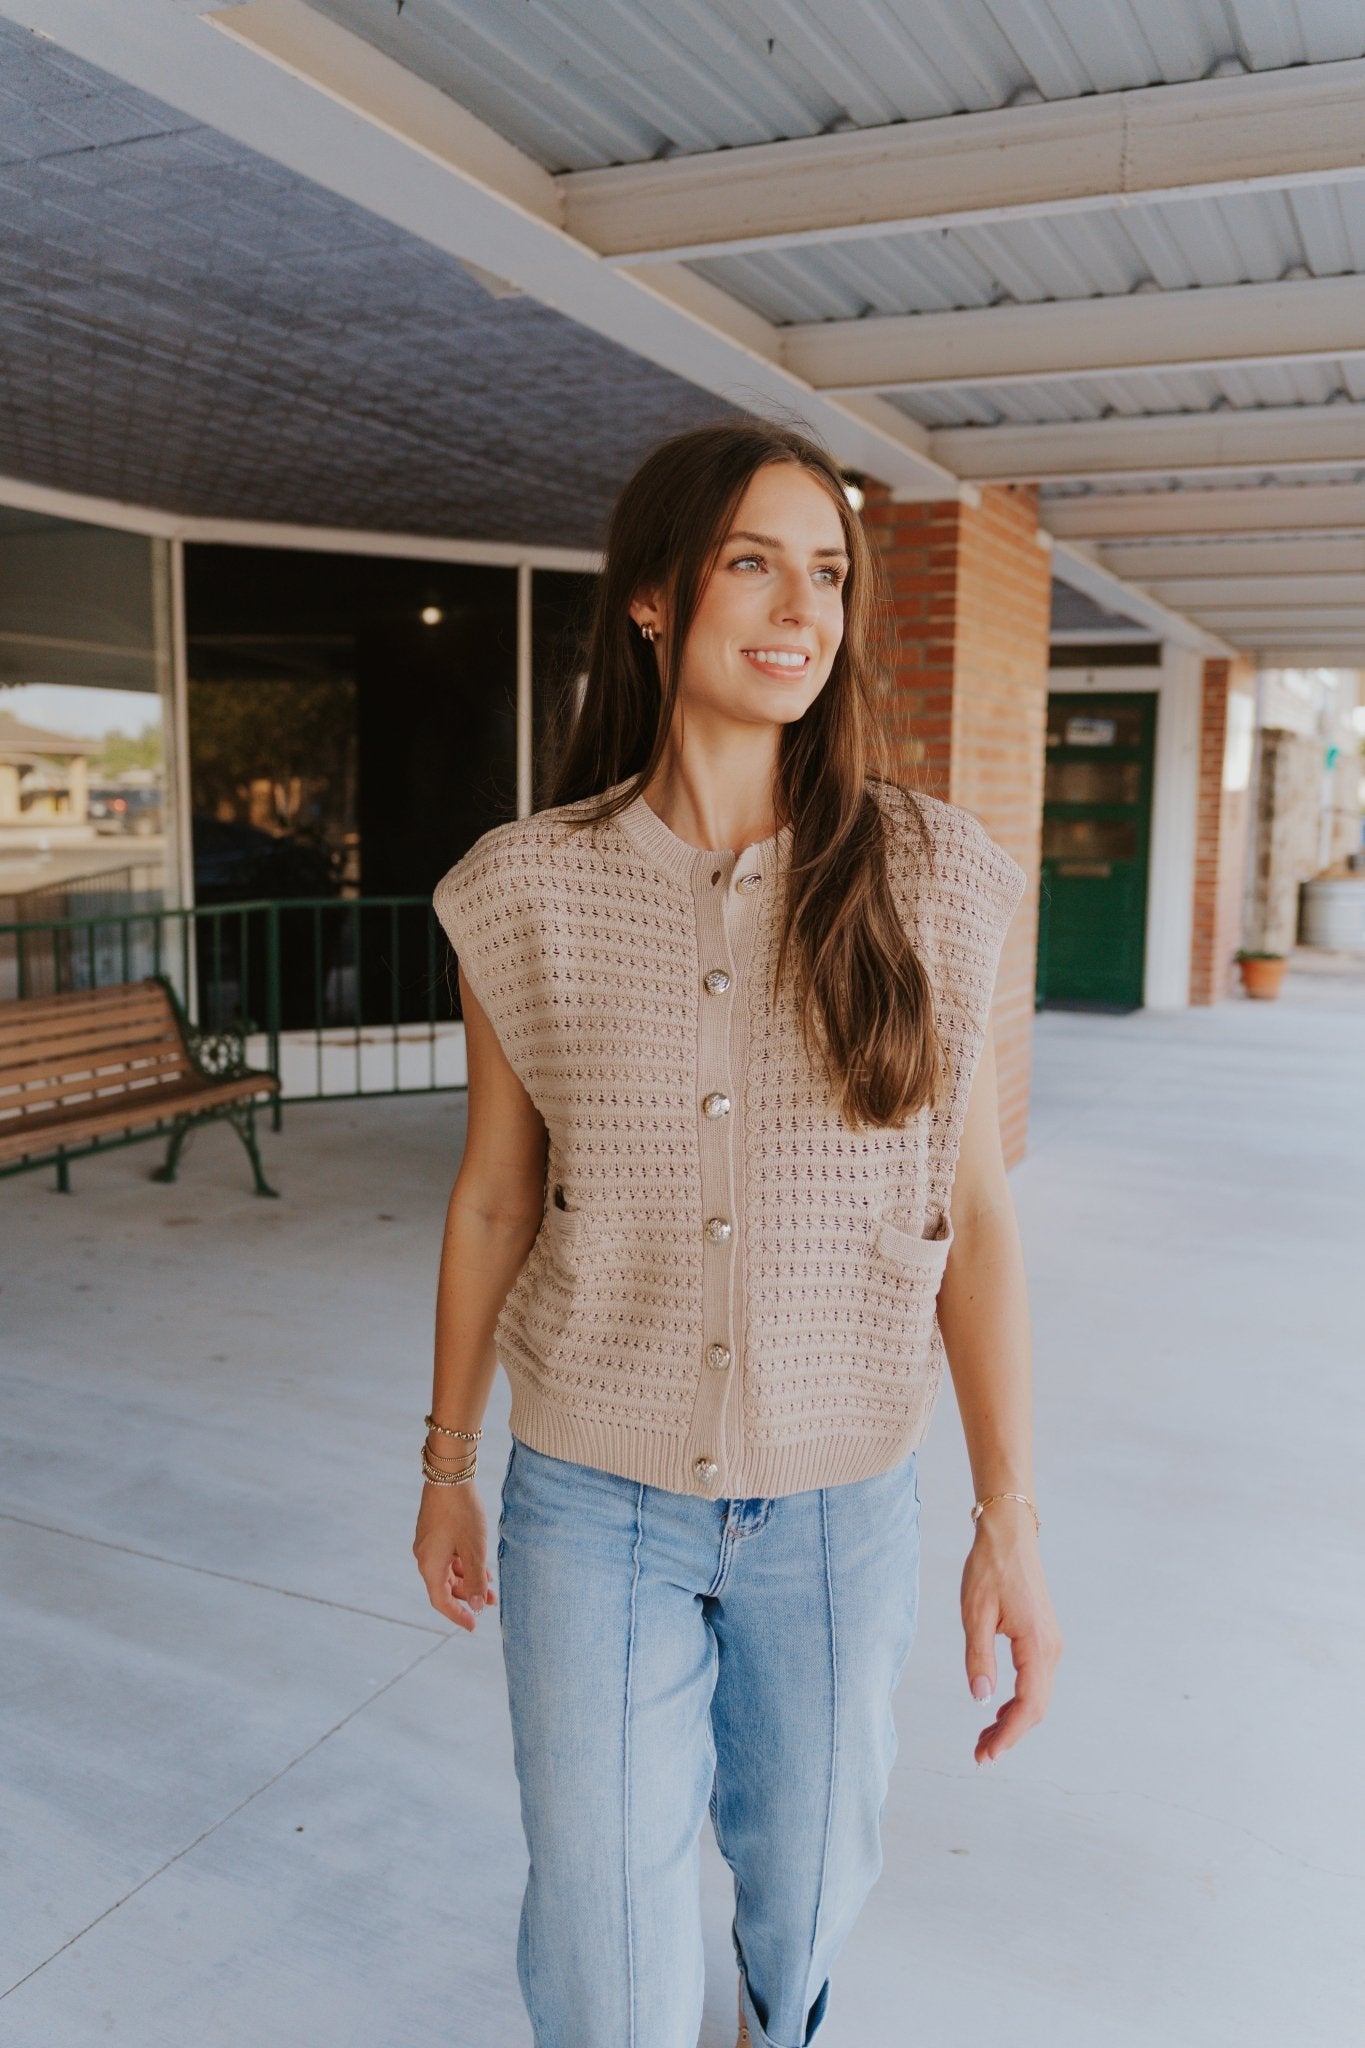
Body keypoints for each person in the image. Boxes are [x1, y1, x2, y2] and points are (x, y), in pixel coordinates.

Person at [414, 418, 1063, 2048]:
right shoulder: (523, 889)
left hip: (843, 1509)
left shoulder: (934, 874)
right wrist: (444, 1465)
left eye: (827, 570)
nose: (801, 609)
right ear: (650, 598)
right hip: (590, 1504)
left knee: (804, 1883)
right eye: (751, 561)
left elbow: (972, 1224)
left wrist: (1009, 1519)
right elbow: (496, 1194)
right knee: (601, 1911)